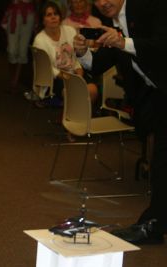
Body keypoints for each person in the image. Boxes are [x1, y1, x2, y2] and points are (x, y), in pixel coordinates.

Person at [74, 0, 167, 244]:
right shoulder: (111, 24)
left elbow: (161, 46)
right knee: (161, 166)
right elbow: (98, 63)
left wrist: (122, 42)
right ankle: (154, 224)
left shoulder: (153, 7)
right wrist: (81, 53)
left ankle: (153, 224)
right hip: (157, 98)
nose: (103, 2)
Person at [33, 1, 98, 103]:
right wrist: (70, 78)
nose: (53, 17)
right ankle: (76, 115)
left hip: (74, 74)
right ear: (43, 20)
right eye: (49, 15)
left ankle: (80, 115)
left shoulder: (70, 31)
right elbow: (49, 70)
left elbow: (76, 58)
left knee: (92, 90)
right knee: (75, 92)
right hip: (55, 79)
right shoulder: (39, 40)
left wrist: (79, 74)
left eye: (56, 14)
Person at [1, 0, 36, 94]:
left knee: (23, 51)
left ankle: (14, 83)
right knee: (12, 50)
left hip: (29, 14)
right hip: (14, 12)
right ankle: (12, 80)